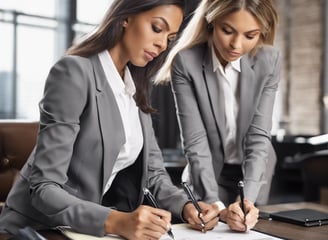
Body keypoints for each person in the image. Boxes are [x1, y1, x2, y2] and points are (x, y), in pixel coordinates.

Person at [0, 1, 220, 239]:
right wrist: (116, 220)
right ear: (125, 17)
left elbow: (154, 174)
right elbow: (44, 188)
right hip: (36, 228)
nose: (161, 44)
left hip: (85, 231)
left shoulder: (134, 87)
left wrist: (187, 207)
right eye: (157, 28)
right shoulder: (74, 72)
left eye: (170, 37)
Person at [155, 0, 281, 232]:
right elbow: (195, 141)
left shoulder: (269, 60)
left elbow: (258, 135)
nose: (236, 45)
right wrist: (214, 202)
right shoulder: (186, 62)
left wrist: (247, 201)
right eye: (227, 31)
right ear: (211, 22)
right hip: (207, 172)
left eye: (250, 35)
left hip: (253, 172)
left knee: (247, 230)